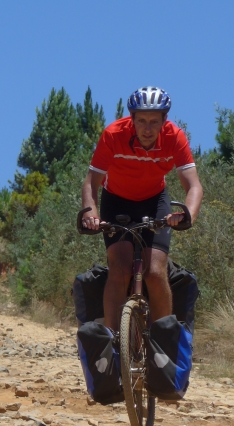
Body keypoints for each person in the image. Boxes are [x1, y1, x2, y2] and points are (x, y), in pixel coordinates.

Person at [80, 86, 203, 330]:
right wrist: (91, 213)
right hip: (116, 200)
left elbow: (194, 186)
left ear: (164, 120)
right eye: (142, 121)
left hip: (154, 200)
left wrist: (187, 213)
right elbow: (91, 183)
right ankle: (113, 341)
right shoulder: (113, 134)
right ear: (132, 119)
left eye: (154, 122)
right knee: (120, 269)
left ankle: (163, 340)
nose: (148, 129)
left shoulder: (174, 137)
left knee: (155, 272)